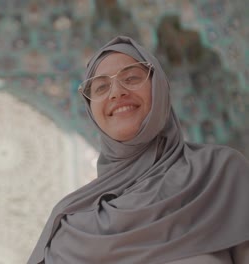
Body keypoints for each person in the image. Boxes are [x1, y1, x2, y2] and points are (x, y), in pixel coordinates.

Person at [27, 36, 249, 264]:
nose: (116, 92)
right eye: (101, 87)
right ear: (90, 107)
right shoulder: (70, 228)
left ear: (158, 86)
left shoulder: (218, 175)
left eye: (131, 77)